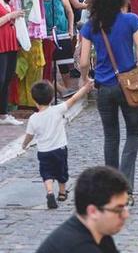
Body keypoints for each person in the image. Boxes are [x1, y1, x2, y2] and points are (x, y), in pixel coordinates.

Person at [79, 0, 138, 193]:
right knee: (134, 133)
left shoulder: (91, 26)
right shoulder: (131, 20)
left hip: (104, 88)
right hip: (129, 85)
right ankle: (125, 185)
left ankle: (111, 187)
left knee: (111, 136)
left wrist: (85, 79)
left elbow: (83, 62)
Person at [36, 166, 138, 253]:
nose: (126, 215)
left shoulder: (97, 232)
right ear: (93, 211)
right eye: (118, 209)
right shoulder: (80, 247)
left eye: (125, 206)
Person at [22, 80, 92, 209]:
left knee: (46, 173)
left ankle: (49, 193)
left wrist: (24, 145)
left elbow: (29, 136)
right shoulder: (57, 110)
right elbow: (74, 98)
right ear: (52, 97)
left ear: (34, 100)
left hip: (43, 152)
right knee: (61, 171)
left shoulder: (33, 118)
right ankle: (62, 193)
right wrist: (86, 87)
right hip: (59, 149)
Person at [45, 0, 76, 94]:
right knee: (48, 66)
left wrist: (70, 29)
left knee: (64, 64)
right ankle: (59, 90)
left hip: (62, 33)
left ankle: (67, 89)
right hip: (45, 36)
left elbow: (69, 11)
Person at [0, 0, 23, 126]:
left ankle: (3, 113)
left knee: (7, 78)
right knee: (1, 78)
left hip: (10, 43)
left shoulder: (5, 1)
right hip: (1, 44)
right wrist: (11, 16)